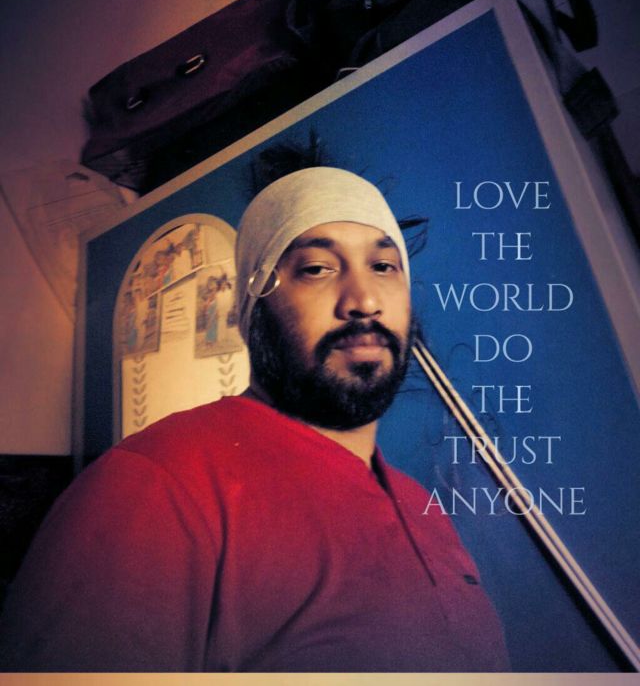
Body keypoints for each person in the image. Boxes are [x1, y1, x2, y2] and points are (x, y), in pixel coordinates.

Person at [0, 167, 509, 673]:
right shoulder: (154, 484)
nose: (365, 301)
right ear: (253, 311)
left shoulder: (421, 507)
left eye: (383, 266)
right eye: (317, 269)